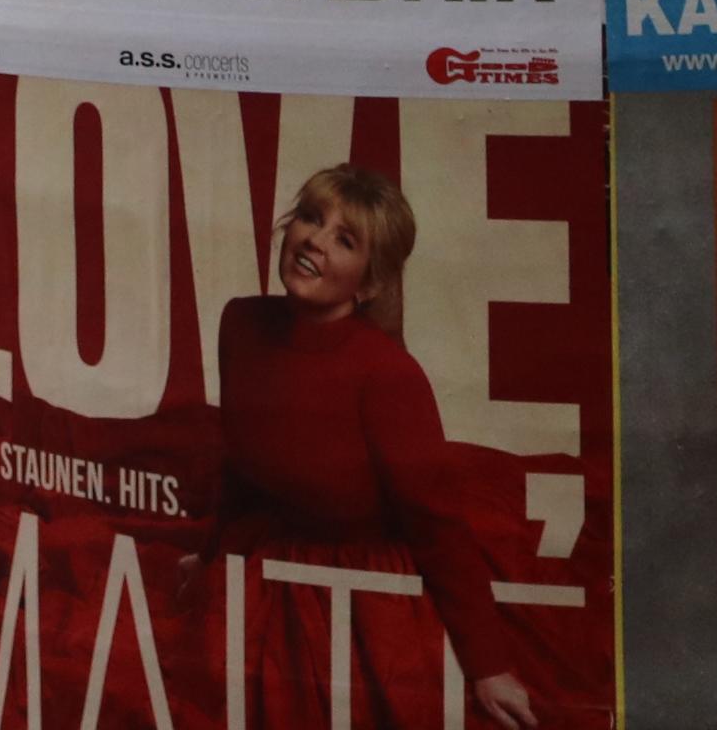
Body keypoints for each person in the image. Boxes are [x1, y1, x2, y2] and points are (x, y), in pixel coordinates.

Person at [215, 165, 543, 730]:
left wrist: (489, 666)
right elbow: (243, 462)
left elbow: (436, 525)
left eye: (345, 239)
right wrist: (212, 550)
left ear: (368, 284)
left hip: (369, 572)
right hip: (280, 553)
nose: (315, 240)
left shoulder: (387, 374)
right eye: (311, 218)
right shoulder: (241, 322)